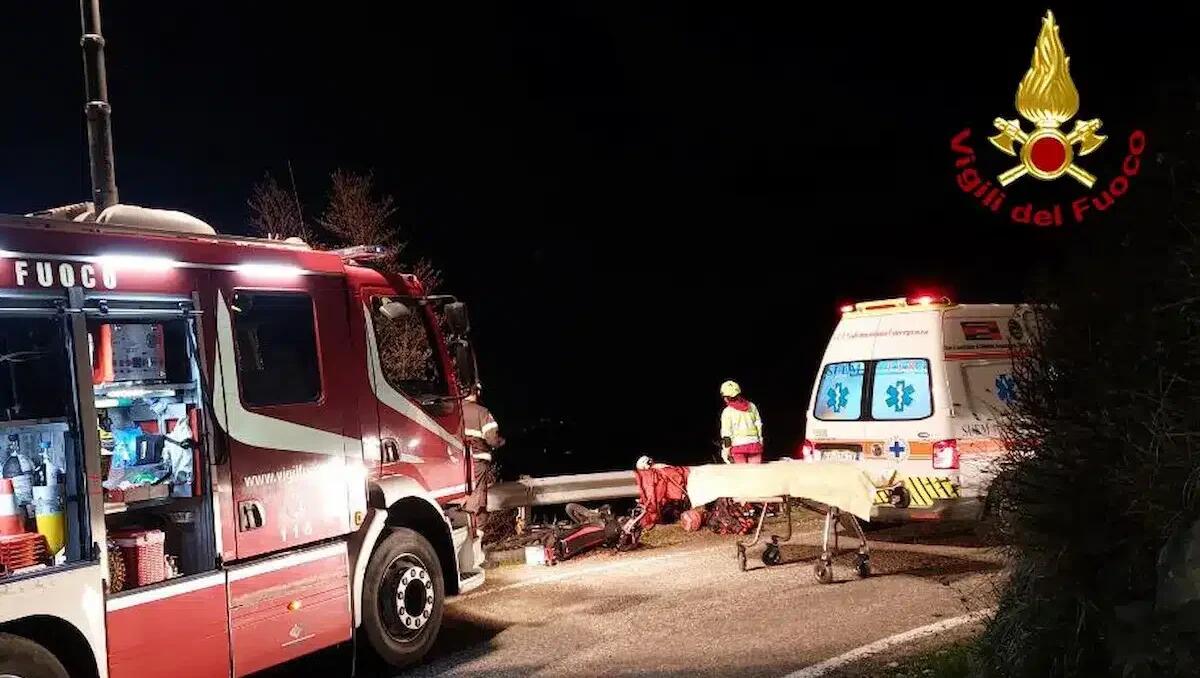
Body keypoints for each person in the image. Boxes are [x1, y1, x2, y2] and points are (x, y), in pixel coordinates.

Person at [463, 384, 503, 518]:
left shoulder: (454, 410)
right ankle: (477, 532)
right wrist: (500, 442)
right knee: (479, 498)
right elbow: (492, 439)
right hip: (478, 461)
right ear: (477, 392)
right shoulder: (482, 412)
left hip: (458, 461)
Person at [719, 380, 764, 464]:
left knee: (742, 475)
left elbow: (726, 434)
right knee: (756, 474)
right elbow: (758, 424)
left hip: (738, 447)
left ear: (726, 397)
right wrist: (760, 440)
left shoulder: (727, 412)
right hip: (754, 445)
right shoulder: (752, 406)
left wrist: (726, 450)